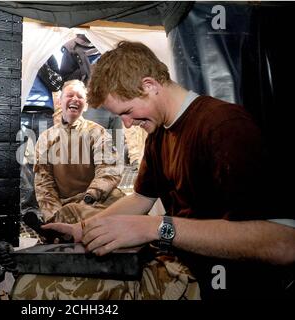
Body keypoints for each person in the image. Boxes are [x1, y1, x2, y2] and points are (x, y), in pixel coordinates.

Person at [43, 41, 295, 299]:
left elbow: (283, 244)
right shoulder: (158, 135)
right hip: (176, 264)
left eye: (128, 112)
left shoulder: (225, 127)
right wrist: (85, 228)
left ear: (150, 85)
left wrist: (157, 228)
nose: (128, 125)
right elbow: (142, 198)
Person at [33, 79, 124, 224]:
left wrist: (89, 198)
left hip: (96, 201)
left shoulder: (97, 132)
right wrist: (55, 217)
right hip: (64, 206)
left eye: (80, 97)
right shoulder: (46, 138)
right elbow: (44, 185)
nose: (75, 99)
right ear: (59, 102)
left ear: (86, 105)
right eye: (70, 95)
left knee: (124, 209)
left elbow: (109, 170)